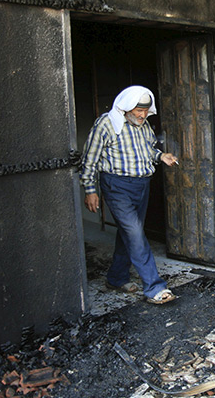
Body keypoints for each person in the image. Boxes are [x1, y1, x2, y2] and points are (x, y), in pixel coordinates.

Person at [80, 85, 178, 305]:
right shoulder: (107, 123)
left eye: (145, 111)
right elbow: (89, 159)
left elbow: (148, 149)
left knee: (129, 233)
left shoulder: (143, 125)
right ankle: (154, 287)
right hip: (117, 186)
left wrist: (161, 156)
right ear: (126, 107)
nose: (142, 115)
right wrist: (90, 190)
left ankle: (116, 278)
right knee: (134, 233)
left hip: (141, 185)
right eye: (138, 110)